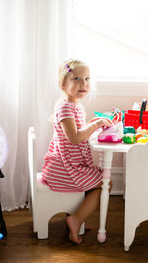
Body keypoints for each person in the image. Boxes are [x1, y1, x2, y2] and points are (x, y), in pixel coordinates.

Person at [42, 59, 113, 244]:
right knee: (106, 183)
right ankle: (76, 219)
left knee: (101, 180)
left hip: (67, 165)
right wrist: (95, 124)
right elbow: (74, 138)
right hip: (63, 168)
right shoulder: (65, 107)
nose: (84, 84)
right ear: (63, 84)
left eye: (87, 79)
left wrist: (92, 124)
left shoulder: (74, 106)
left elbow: (79, 132)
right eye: (77, 79)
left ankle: (77, 215)